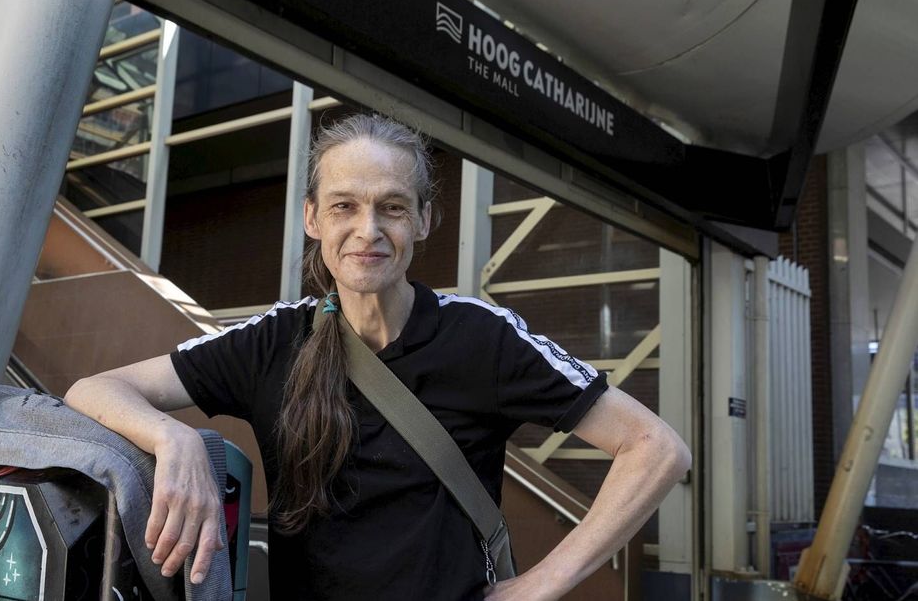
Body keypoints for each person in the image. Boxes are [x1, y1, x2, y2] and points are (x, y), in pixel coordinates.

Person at [64, 113, 691, 600]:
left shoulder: (482, 338)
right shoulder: (271, 340)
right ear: (312, 219)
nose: (368, 229)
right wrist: (175, 441)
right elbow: (94, 388)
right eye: (344, 206)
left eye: (391, 206)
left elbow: (655, 449)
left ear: (423, 220)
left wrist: (544, 583)